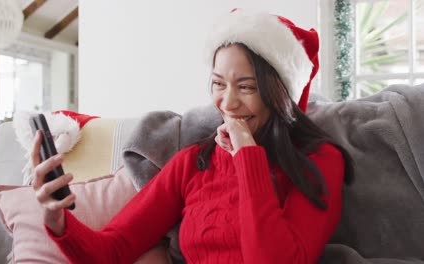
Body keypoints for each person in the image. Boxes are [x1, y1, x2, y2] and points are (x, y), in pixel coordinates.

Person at [31, 8, 353, 264]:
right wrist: (56, 220)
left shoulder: (320, 161)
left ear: (279, 93)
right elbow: (114, 249)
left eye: (246, 87)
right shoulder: (192, 164)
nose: (228, 103)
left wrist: (247, 157)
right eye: (218, 84)